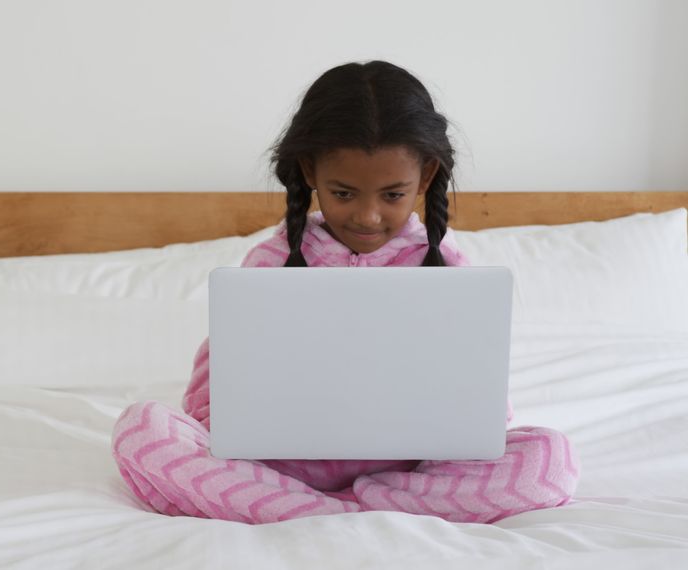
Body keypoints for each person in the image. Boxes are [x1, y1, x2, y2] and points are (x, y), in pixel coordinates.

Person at [110, 60, 579, 525]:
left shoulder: (449, 269)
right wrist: (233, 427)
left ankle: (302, 510)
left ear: (427, 175)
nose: (368, 217)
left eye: (392, 195)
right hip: (275, 467)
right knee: (141, 430)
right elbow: (211, 396)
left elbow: (484, 411)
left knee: (551, 461)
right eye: (344, 193)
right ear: (310, 171)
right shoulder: (269, 264)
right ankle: (343, 509)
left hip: (413, 472)